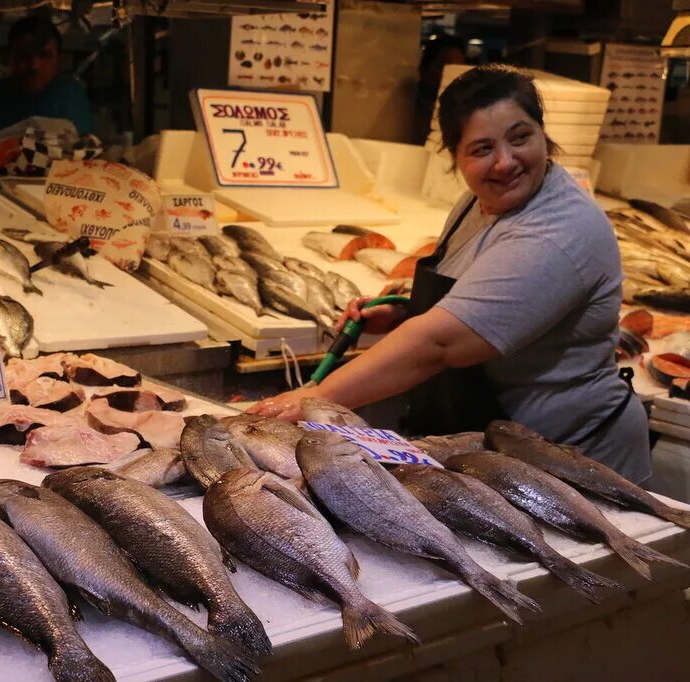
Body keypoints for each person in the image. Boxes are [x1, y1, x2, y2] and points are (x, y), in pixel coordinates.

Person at [251, 64, 650, 484]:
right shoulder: (477, 203)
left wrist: (315, 398)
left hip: (575, 460)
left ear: (543, 133)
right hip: (501, 449)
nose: (505, 161)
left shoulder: (559, 231)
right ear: (454, 157)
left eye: (521, 138)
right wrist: (407, 312)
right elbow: (474, 297)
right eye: (481, 149)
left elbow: (439, 343)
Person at [0, 15, 95, 139]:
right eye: (24, 54)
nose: (34, 65)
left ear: (59, 60)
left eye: (45, 55)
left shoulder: (69, 95)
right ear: (8, 57)